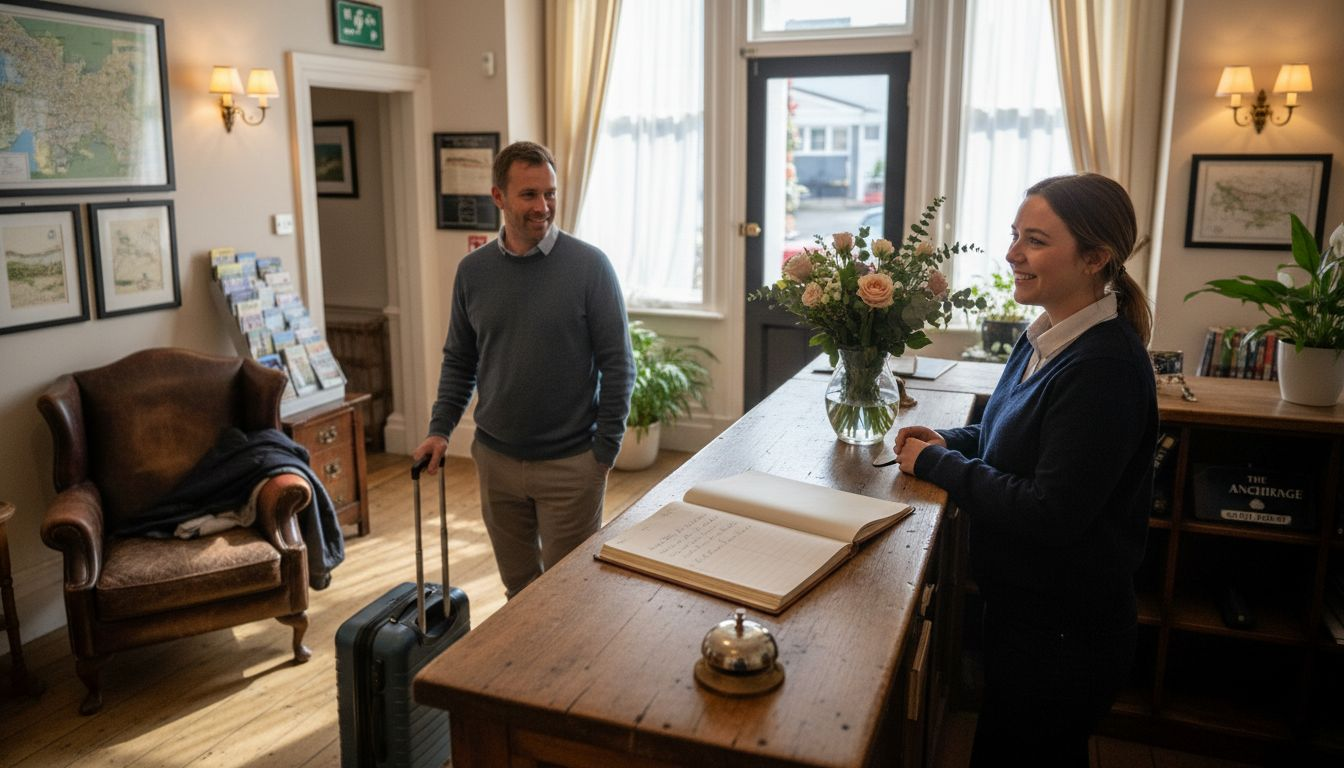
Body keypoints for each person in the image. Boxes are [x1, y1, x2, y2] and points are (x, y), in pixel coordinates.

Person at [893, 173, 1157, 765]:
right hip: (1026, 616)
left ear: (1095, 257)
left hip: (1067, 634)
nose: (1013, 253)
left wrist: (939, 463)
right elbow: (1009, 434)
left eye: (1035, 240)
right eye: (1015, 235)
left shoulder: (1104, 367)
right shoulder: (1044, 334)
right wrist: (949, 438)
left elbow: (1050, 511)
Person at [413, 140, 634, 599]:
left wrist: (603, 454)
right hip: (495, 462)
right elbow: (460, 357)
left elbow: (618, 365)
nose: (544, 206)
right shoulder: (472, 272)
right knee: (519, 592)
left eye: (550, 193)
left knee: (569, 594)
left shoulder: (590, 267)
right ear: (498, 197)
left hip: (572, 465)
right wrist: (440, 429)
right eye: (530, 195)